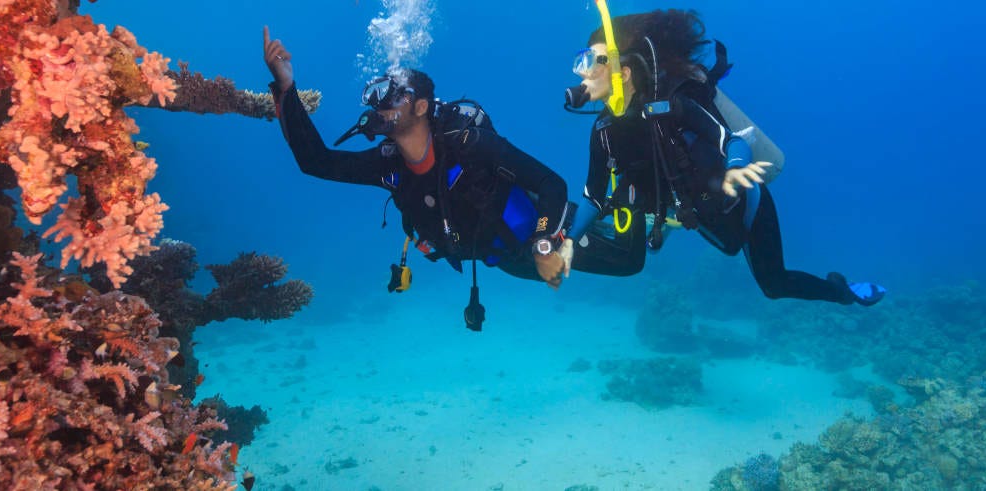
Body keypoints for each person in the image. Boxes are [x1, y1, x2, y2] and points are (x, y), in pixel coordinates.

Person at [559, 8, 886, 306]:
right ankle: (663, 218)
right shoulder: (603, 130)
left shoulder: (673, 107)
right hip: (697, 209)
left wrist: (734, 170)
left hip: (745, 202)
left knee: (773, 284)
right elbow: (593, 196)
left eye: (590, 61)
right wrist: (571, 239)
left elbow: (735, 142)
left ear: (624, 72)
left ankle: (844, 292)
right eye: (580, 61)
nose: (581, 73)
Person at [262, 27, 574, 330]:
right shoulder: (389, 167)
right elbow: (316, 162)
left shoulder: (469, 144)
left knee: (625, 262)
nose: (381, 106)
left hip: (550, 234)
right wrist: (286, 88)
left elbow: (551, 184)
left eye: (393, 97)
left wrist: (543, 245)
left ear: (421, 107)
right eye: (377, 98)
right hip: (503, 259)